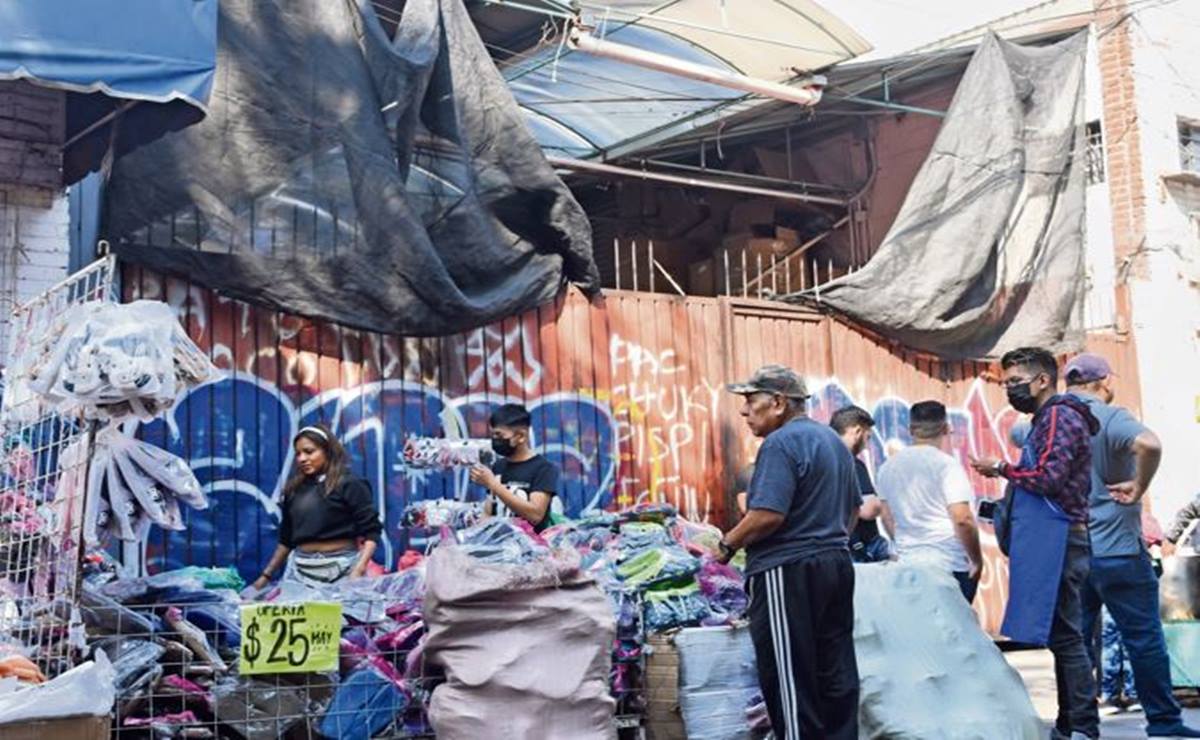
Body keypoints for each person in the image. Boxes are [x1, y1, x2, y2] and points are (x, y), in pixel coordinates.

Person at [717, 364, 860, 740]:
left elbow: (766, 514)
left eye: (751, 400)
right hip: (836, 563)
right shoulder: (834, 443)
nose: (744, 411)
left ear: (778, 403)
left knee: (790, 677)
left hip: (789, 570)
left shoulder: (780, 443)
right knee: (835, 671)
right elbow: (853, 510)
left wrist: (726, 545)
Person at [1063, 353, 1200, 737]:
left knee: (1076, 643)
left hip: (1073, 552)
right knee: (1143, 640)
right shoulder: (1110, 417)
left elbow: (1017, 440)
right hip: (1119, 550)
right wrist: (1139, 485)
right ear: (1103, 382)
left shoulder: (1050, 419)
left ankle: (1079, 725)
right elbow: (1149, 444)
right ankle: (1164, 723)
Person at [971, 347, 1100, 740]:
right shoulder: (1048, 418)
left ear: (1042, 379)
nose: (1010, 389)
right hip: (1054, 537)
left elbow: (1047, 476)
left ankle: (1082, 726)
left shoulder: (1059, 416)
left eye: (1015, 382)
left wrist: (1001, 468)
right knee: (1062, 636)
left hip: (1060, 538)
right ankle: (1069, 724)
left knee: (1067, 636)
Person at [250, 425, 382, 590]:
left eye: (309, 451)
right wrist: (265, 577)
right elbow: (286, 540)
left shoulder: (350, 484)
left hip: (343, 569)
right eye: (298, 454)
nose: (302, 458)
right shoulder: (294, 490)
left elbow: (372, 532)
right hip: (300, 571)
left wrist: (358, 570)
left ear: (327, 451)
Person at [876, 401, 982, 601]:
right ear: (945, 428)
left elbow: (886, 517)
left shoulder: (888, 467)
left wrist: (903, 545)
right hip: (949, 564)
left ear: (911, 429)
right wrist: (977, 560)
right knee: (956, 630)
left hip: (909, 564)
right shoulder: (947, 466)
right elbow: (962, 519)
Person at [470, 403, 561, 533]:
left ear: (520, 437)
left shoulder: (543, 469)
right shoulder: (498, 466)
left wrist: (493, 484)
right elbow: (489, 511)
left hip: (531, 549)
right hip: (500, 547)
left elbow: (536, 515)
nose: (495, 440)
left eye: (499, 435)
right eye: (493, 435)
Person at [830, 405, 891, 563]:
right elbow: (867, 509)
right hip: (860, 549)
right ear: (857, 432)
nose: (866, 445)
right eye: (867, 437)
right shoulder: (851, 463)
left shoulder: (822, 460)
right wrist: (883, 502)